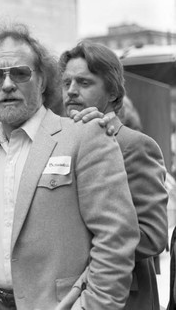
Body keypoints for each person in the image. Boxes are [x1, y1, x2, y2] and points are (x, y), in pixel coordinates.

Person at [0, 24, 139, 309]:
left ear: (44, 81)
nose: (7, 84)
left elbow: (116, 238)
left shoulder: (84, 136)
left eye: (20, 73)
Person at [60, 41, 167, 310]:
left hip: (124, 297)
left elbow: (154, 235)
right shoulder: (59, 142)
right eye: (67, 83)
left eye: (84, 83)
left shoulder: (135, 145)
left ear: (112, 92)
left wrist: (76, 240)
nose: (72, 91)